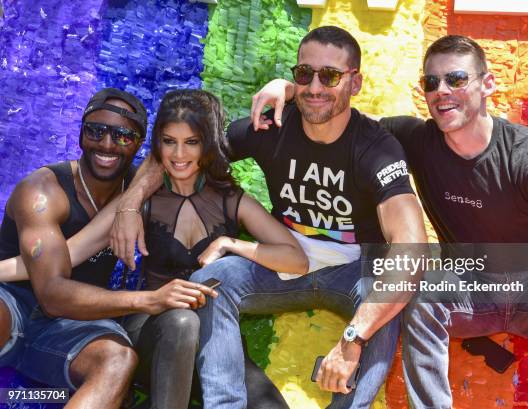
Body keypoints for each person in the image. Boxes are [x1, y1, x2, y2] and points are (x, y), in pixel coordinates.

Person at [250, 34, 528, 408]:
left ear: (487, 83)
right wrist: (291, 88)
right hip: (472, 288)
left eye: (456, 79)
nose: (442, 91)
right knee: (421, 290)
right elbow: (339, 114)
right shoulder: (416, 138)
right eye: (431, 82)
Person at [110, 26, 428, 408]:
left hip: (354, 270)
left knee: (385, 307)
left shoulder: (376, 147)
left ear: (355, 83)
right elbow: (181, 150)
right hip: (284, 259)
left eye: (329, 76)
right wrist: (130, 204)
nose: (314, 87)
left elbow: (411, 248)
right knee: (211, 282)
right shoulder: (270, 128)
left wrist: (352, 339)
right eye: (304, 74)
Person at [0, 89, 303, 409]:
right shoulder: (48, 191)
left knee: (122, 361)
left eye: (123, 136)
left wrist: (293, 90)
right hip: (33, 304)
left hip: (88, 326)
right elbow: (60, 276)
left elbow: (207, 135)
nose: (106, 143)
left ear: (140, 143)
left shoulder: (170, 189)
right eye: (95, 130)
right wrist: (150, 296)